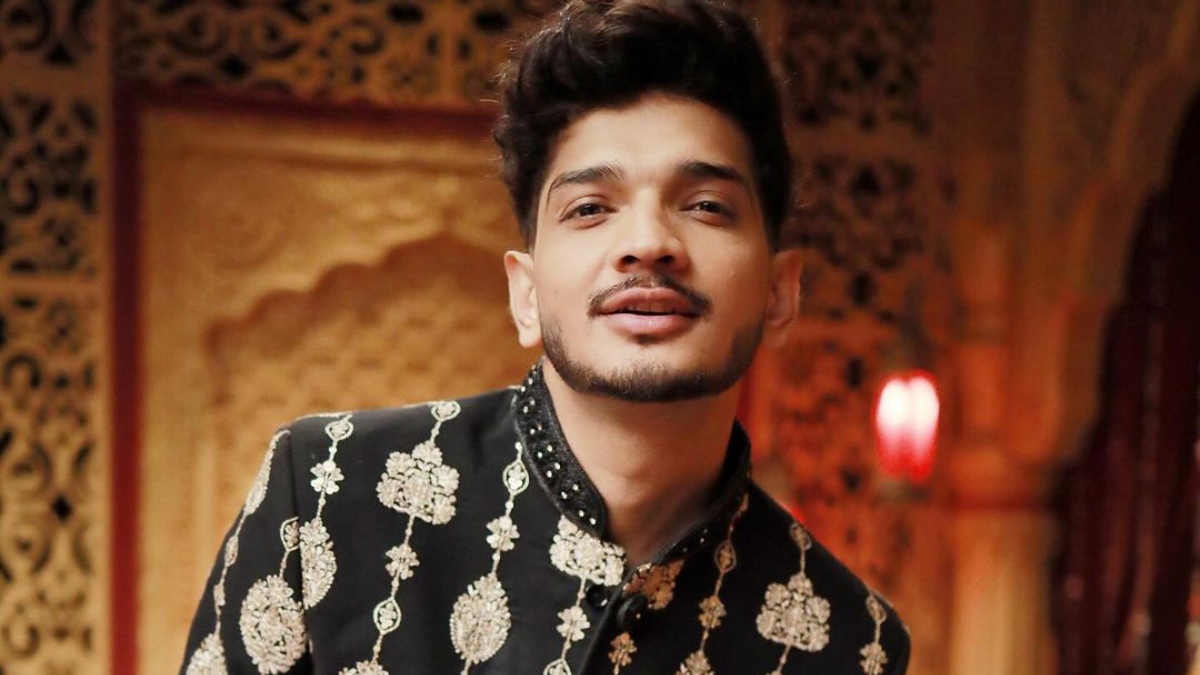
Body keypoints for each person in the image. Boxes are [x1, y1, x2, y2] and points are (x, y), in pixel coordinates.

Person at [180, 0, 911, 673]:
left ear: (781, 292)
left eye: (706, 205)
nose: (649, 242)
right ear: (524, 294)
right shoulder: (326, 493)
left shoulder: (850, 644)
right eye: (591, 207)